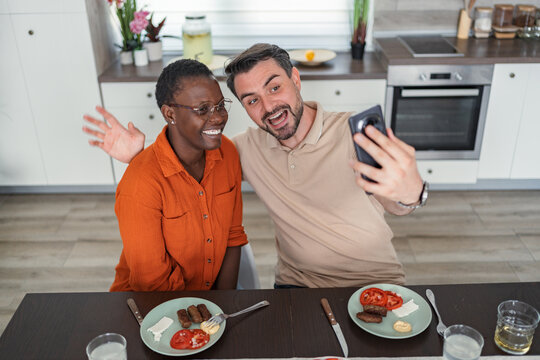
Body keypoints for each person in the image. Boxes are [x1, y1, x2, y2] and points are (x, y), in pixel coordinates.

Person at [84, 44, 426, 288]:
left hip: (376, 281)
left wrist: (413, 193)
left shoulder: (356, 132)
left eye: (274, 87)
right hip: (297, 286)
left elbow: (398, 200)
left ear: (296, 79)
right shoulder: (243, 149)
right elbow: (183, 163)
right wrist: (141, 158)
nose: (269, 106)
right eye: (252, 100)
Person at [83, 59, 247, 291]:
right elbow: (151, 284)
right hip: (150, 308)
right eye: (203, 109)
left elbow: (233, 236)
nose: (218, 117)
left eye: (221, 105)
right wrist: (201, 315)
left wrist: (222, 308)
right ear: (170, 114)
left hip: (209, 303)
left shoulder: (227, 153)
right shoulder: (140, 184)